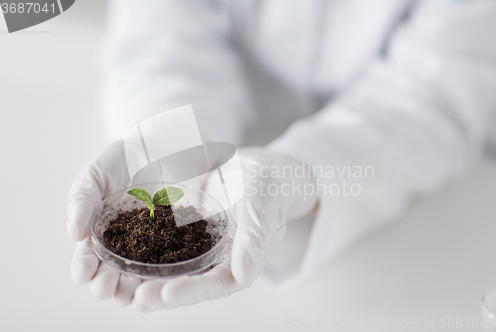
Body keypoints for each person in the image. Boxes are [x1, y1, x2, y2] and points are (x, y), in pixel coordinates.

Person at [67, 0, 496, 312]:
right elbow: (165, 36)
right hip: (240, 117)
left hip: (423, 214)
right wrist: (172, 140)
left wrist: (299, 172)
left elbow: (434, 97)